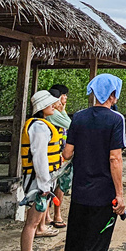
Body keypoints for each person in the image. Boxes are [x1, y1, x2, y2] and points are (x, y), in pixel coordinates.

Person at [57, 74, 126, 251]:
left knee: (74, 245)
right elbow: (115, 159)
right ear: (112, 95)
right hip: (103, 198)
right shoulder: (115, 120)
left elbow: (67, 153)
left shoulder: (78, 117)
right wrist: (119, 195)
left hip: (79, 195)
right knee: (94, 250)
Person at [18, 90, 62, 251]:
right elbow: (40, 157)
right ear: (42, 107)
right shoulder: (39, 127)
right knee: (32, 222)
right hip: (38, 180)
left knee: (33, 220)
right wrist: (44, 184)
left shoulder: (40, 124)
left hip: (40, 178)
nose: (54, 105)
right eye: (50, 103)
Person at [46, 84, 71, 230]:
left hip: (56, 152)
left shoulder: (54, 111)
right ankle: (56, 215)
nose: (66, 98)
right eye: (64, 95)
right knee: (59, 184)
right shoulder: (54, 113)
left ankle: (49, 216)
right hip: (57, 153)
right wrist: (63, 111)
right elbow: (70, 124)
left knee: (52, 185)